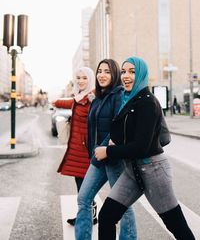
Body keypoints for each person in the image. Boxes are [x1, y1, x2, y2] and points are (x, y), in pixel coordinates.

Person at [95, 56, 195, 240]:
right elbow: (124, 132)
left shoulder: (148, 102)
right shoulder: (129, 100)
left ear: (141, 74)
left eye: (132, 72)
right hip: (132, 171)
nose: (126, 76)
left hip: (154, 170)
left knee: (176, 226)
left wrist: (108, 151)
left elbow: (141, 147)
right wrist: (115, 142)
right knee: (107, 216)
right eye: (124, 71)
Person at [75, 59, 137, 240]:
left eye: (107, 72)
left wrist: (103, 149)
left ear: (115, 75)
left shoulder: (119, 95)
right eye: (99, 71)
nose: (102, 75)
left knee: (122, 204)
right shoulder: (98, 97)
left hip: (114, 159)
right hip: (98, 158)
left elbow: (118, 128)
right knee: (83, 198)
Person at [54, 66, 97, 226]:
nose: (80, 81)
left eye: (84, 78)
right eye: (78, 78)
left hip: (86, 151)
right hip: (77, 151)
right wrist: (54, 101)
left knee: (85, 189)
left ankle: (87, 218)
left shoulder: (92, 98)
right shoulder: (80, 97)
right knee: (82, 187)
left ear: (90, 79)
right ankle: (88, 215)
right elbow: (68, 103)